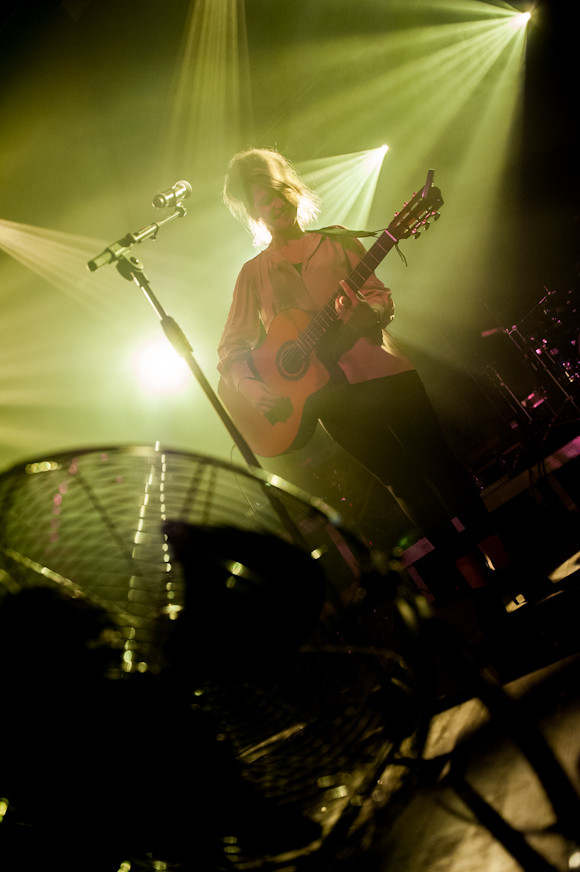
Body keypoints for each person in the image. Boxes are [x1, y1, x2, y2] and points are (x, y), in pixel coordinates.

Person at [216, 148, 536, 618]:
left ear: (291, 191)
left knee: (441, 466)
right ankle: (478, 585)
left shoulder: (339, 240)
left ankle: (510, 570)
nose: (275, 206)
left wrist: (363, 312)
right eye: (262, 201)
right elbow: (230, 349)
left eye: (278, 194)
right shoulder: (252, 275)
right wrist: (250, 385)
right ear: (254, 211)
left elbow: (381, 298)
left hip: (385, 372)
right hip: (331, 400)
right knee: (404, 484)